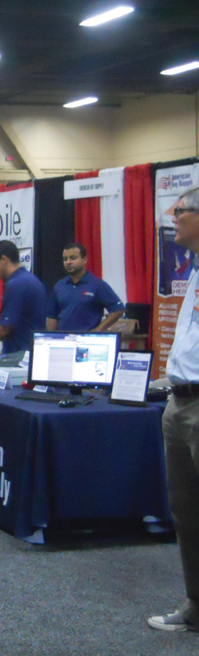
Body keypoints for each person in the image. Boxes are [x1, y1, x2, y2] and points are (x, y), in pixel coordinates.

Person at [149, 187, 199, 633]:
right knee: (185, 510)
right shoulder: (193, 268)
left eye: (180, 212)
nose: (174, 219)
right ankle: (196, 605)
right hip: (178, 402)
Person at [46, 243, 126, 332]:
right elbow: (52, 316)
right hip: (64, 340)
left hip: (86, 341)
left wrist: (98, 330)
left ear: (84, 259)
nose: (68, 262)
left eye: (73, 258)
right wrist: (50, 337)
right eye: (65, 259)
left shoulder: (97, 285)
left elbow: (118, 309)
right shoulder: (59, 286)